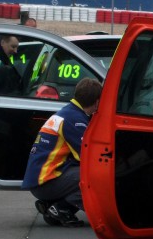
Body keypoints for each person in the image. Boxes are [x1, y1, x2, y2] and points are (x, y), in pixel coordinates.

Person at [22, 77, 102, 227]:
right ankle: (61, 207)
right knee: (96, 176)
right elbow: (88, 157)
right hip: (46, 183)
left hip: (41, 180)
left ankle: (53, 208)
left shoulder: (68, 113)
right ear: (97, 102)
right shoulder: (75, 120)